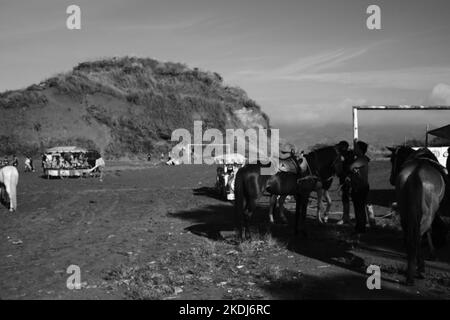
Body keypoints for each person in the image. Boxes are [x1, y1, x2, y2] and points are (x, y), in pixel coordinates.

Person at [348, 140, 370, 237]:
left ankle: (360, 228)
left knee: (359, 208)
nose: (354, 149)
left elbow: (351, 167)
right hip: (360, 186)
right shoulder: (362, 159)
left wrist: (353, 168)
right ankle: (360, 227)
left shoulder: (361, 159)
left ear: (360, 150)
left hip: (360, 187)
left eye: (356, 148)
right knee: (359, 208)